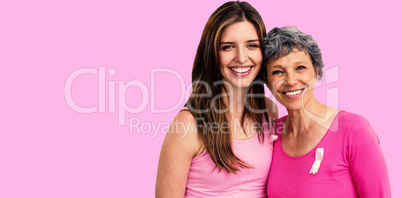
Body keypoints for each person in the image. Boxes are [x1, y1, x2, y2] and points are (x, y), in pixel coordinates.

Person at [155, 1, 277, 197]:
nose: (242, 57)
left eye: (252, 45)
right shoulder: (189, 124)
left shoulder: (268, 110)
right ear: (211, 53)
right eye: (228, 47)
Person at [264, 26, 391, 197]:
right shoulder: (274, 133)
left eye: (300, 68)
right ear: (267, 81)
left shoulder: (354, 130)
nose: (291, 80)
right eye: (277, 72)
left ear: (316, 72)